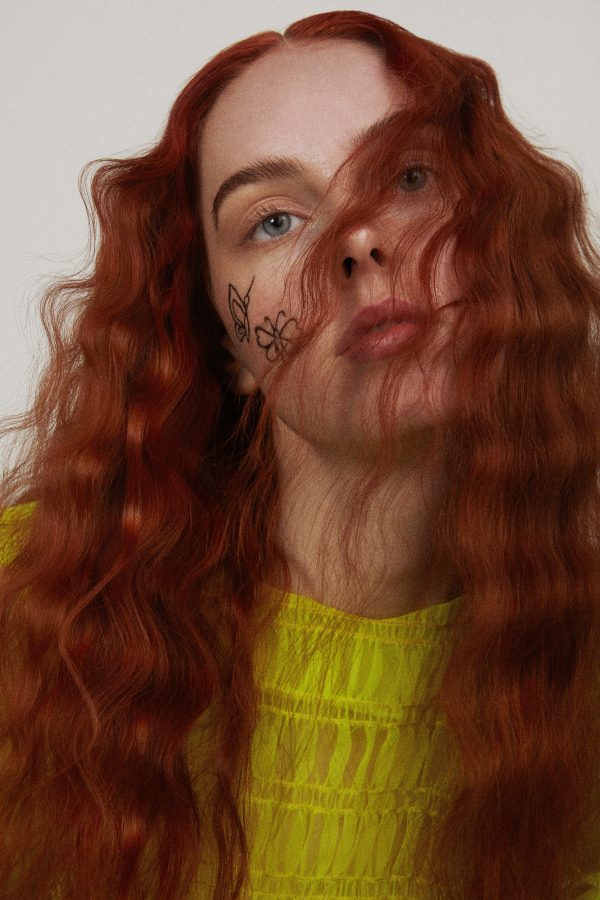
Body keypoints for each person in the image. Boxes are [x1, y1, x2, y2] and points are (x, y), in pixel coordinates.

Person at [1, 9, 600, 900]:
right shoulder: (29, 608)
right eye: (275, 220)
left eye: (410, 176)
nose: (360, 239)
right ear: (224, 350)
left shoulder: (581, 667)